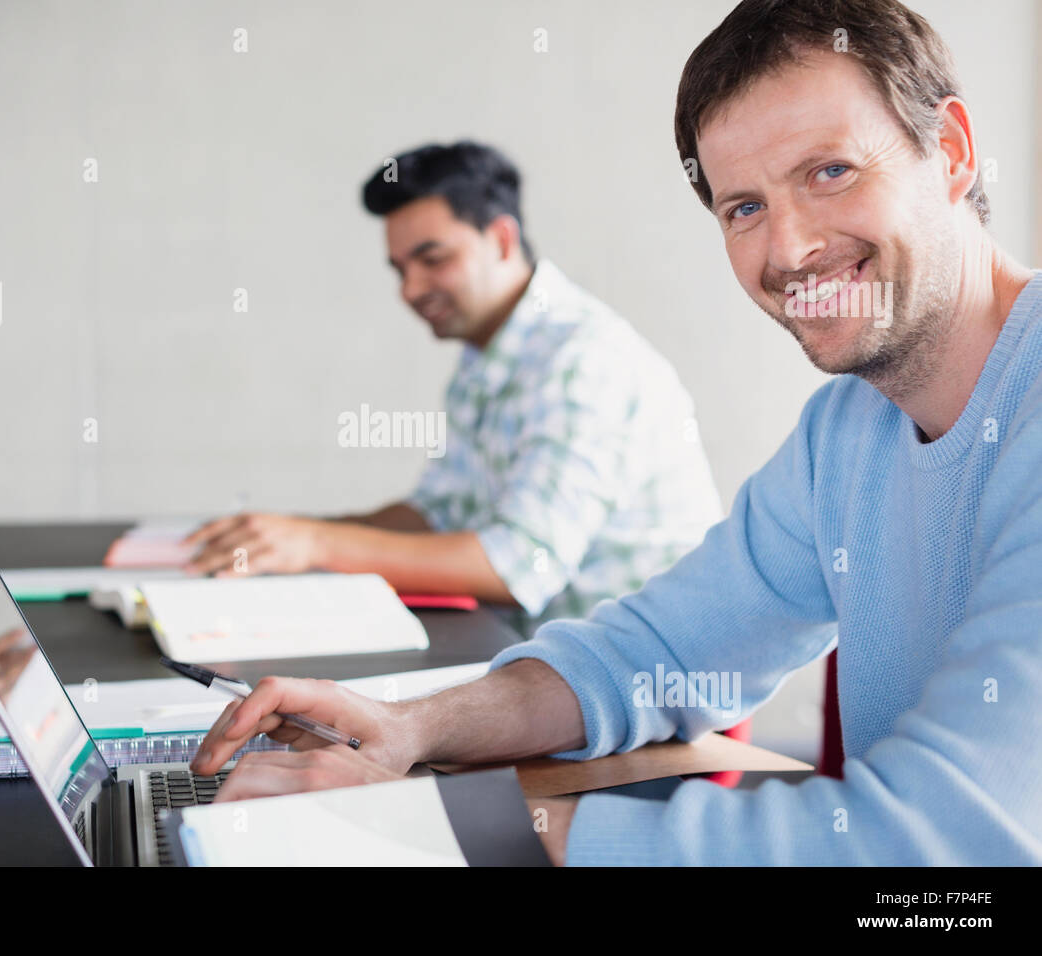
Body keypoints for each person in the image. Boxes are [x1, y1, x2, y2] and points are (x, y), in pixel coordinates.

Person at [189, 0, 1042, 866]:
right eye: (743, 207)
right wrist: (407, 728)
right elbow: (658, 650)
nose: (787, 249)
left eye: (829, 171)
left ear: (954, 152)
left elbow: (944, 845)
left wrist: (450, 823)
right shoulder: (846, 429)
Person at [178, 141, 722, 633]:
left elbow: (517, 566)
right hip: (533, 652)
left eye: (432, 260)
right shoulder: (488, 349)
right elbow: (438, 512)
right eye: (399, 270)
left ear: (502, 239)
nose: (410, 290)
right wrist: (286, 535)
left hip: (633, 679)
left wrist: (316, 544)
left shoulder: (583, 360)